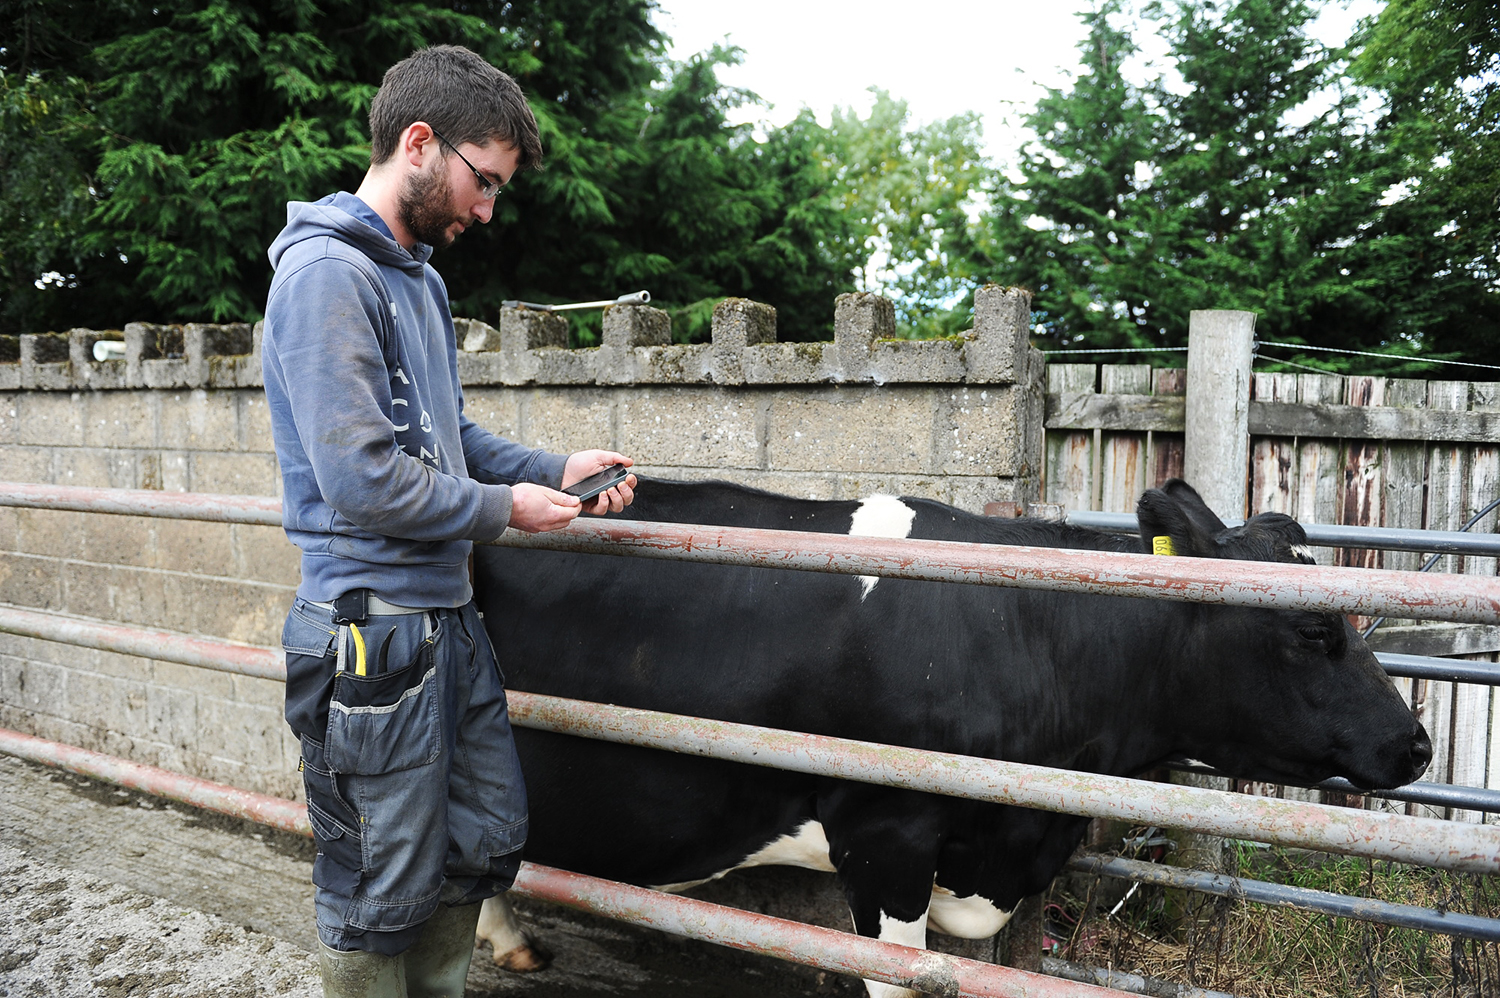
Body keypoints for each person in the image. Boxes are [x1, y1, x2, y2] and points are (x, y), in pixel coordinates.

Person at [261, 44, 635, 998]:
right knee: (376, 888)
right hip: (372, 635)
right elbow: (361, 479)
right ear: (419, 143)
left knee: (471, 852)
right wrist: (509, 508)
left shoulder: (416, 280)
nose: (487, 208)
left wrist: (555, 469)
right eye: (485, 181)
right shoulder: (325, 278)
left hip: (445, 628)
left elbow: (446, 435)